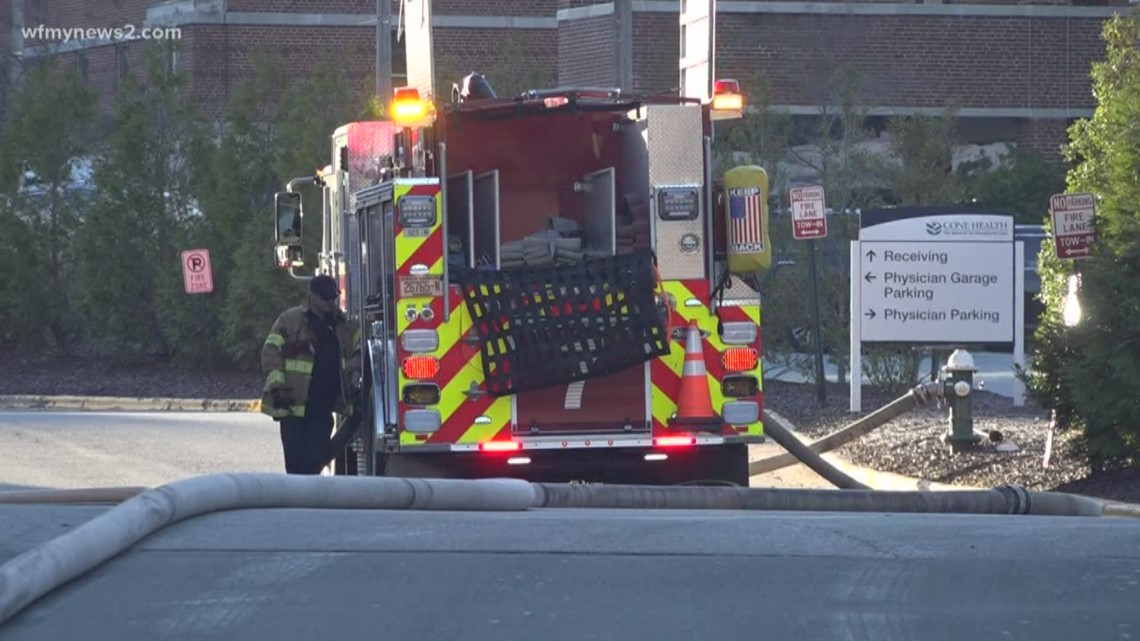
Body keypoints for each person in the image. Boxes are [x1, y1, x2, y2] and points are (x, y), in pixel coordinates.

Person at [260, 274, 361, 474]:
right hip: (292, 405)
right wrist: (277, 387)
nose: (331, 303)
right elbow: (270, 351)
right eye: (325, 299)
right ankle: (298, 500)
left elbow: (359, 346)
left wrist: (356, 368)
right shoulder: (290, 320)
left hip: (323, 406)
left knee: (314, 461)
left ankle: (305, 496)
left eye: (333, 298)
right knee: (294, 463)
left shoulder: (343, 325)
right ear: (312, 297)